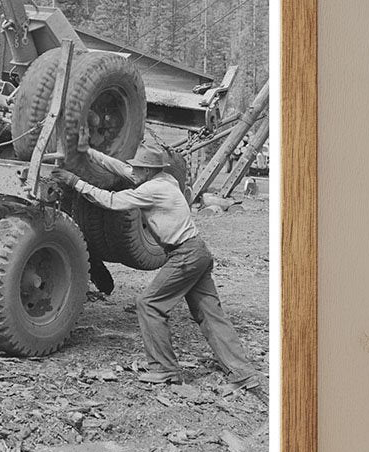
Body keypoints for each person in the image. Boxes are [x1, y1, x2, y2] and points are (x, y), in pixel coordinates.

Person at [54, 144, 259, 390]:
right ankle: (242, 372)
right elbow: (121, 169)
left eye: (139, 169)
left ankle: (164, 369)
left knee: (149, 304)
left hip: (185, 255)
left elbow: (110, 201)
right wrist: (89, 152)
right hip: (198, 251)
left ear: (149, 171)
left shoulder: (153, 189)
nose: (134, 172)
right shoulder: (166, 179)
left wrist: (75, 181)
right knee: (210, 314)